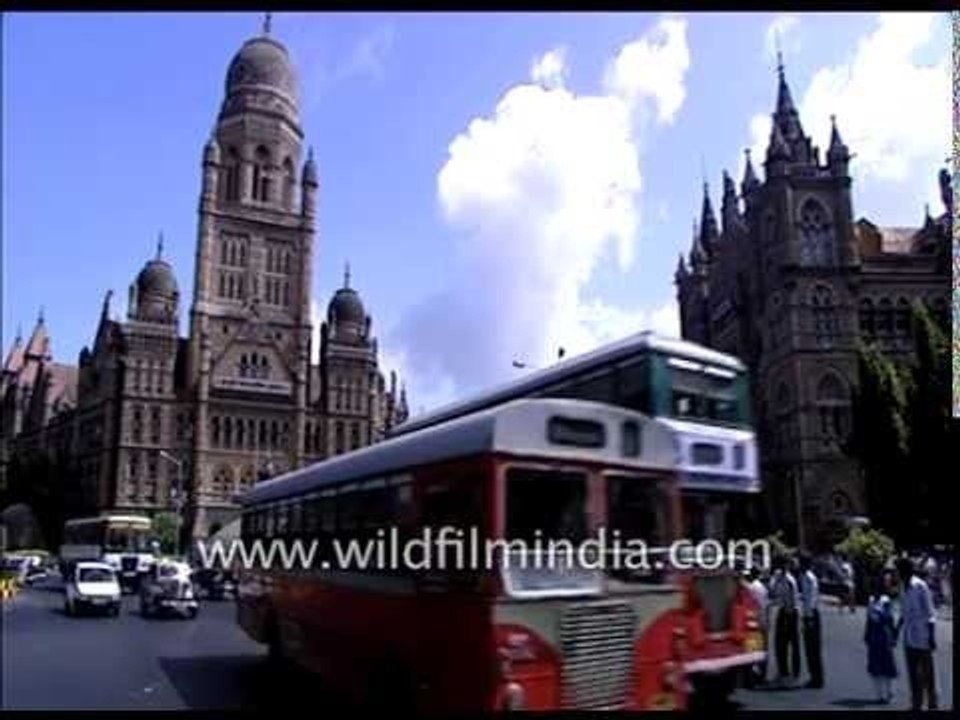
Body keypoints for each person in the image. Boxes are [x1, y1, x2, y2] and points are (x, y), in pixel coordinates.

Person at [896, 557, 938, 710]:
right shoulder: (902, 586)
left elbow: (930, 612)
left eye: (898, 570)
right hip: (908, 636)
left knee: (927, 672)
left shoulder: (920, 586)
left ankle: (933, 702)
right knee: (913, 672)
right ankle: (916, 703)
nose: (897, 573)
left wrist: (932, 637)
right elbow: (903, 612)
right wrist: (896, 630)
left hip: (923, 635)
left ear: (905, 570)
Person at [864, 574, 898, 704]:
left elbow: (889, 619)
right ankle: (879, 695)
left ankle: (889, 692)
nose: (875, 591)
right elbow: (868, 619)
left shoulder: (886, 601)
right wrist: (866, 634)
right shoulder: (871, 600)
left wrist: (893, 636)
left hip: (884, 634)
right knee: (875, 666)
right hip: (874, 635)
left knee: (887, 665)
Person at [770, 556, 801, 684]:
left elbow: (792, 599)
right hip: (783, 610)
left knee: (792, 643)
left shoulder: (789, 580)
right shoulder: (779, 579)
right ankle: (783, 671)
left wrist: (789, 616)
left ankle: (793, 674)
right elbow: (773, 593)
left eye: (783, 566)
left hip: (790, 612)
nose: (781, 568)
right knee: (779, 644)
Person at [798, 553, 824, 689]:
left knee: (814, 648)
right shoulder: (803, 577)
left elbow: (812, 600)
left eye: (801, 562)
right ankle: (813, 676)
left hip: (812, 615)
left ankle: (817, 679)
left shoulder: (809, 578)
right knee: (809, 649)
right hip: (807, 615)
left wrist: (809, 619)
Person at [744, 566, 770, 686]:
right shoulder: (762, 588)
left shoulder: (751, 588)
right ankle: (761, 675)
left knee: (752, 649)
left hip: (754, 622)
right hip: (763, 620)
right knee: (762, 650)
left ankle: (751, 678)